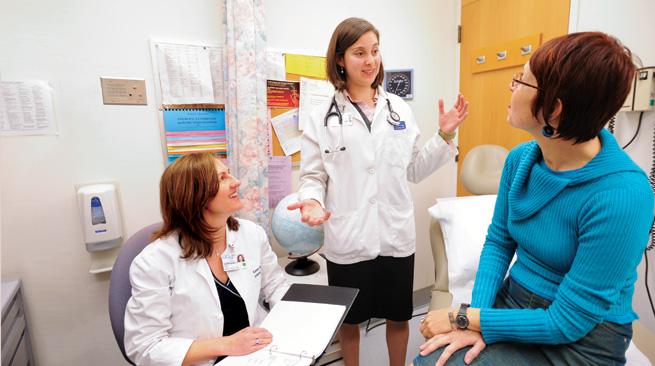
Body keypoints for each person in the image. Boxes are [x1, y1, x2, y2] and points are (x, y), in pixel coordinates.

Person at [411, 32, 654, 366]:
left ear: (553, 109)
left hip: (581, 338)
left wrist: (466, 318)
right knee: (427, 360)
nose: (510, 88)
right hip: (514, 301)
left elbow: (565, 323)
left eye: (521, 81)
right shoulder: (521, 159)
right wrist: (476, 318)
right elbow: (499, 240)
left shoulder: (623, 196)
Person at [287, 17, 468, 366]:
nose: (370, 61)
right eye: (359, 53)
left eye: (374, 51)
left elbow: (413, 168)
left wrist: (444, 136)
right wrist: (310, 200)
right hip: (348, 235)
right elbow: (313, 175)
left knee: (399, 316)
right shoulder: (321, 115)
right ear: (340, 59)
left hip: (394, 234)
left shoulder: (398, 109)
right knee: (349, 320)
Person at [124, 152, 290, 366]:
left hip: (257, 355)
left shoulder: (251, 234)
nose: (236, 182)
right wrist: (227, 345)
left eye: (229, 174)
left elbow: (276, 287)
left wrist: (294, 323)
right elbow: (145, 347)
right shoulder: (155, 262)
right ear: (195, 195)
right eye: (222, 178)